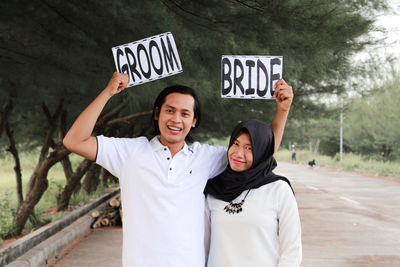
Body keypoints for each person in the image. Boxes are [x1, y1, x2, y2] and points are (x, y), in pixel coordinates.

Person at [63, 72, 293, 267]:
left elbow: (261, 153)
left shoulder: (204, 158)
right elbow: (74, 140)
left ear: (194, 121)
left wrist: (282, 111)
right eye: (169, 111)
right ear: (157, 114)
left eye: (185, 114)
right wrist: (108, 92)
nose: (176, 119)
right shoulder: (129, 153)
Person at [204, 119, 302, 267]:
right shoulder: (214, 188)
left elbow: (292, 250)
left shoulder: (278, 189)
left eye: (249, 148)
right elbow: (203, 243)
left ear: (261, 153)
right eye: (235, 144)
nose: (238, 153)